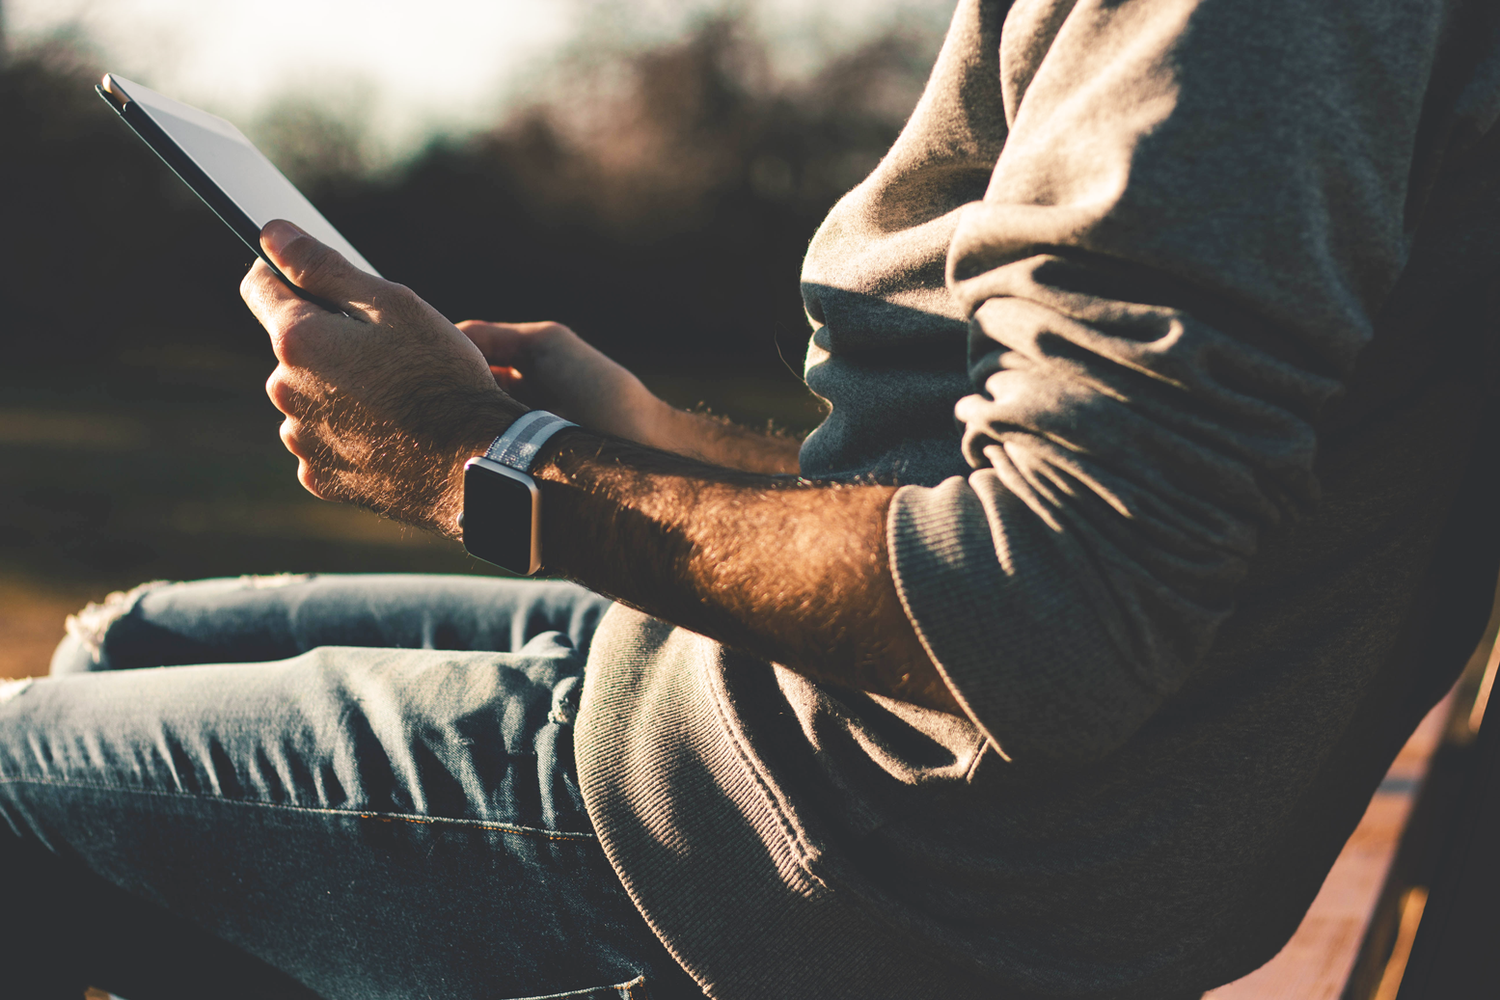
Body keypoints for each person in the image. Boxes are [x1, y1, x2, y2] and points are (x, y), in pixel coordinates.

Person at [6, 0, 1500, 996]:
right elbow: (1045, 506)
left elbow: (1058, 608)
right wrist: (647, 435)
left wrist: (479, 461)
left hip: (869, 837)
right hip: (875, 752)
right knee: (129, 646)